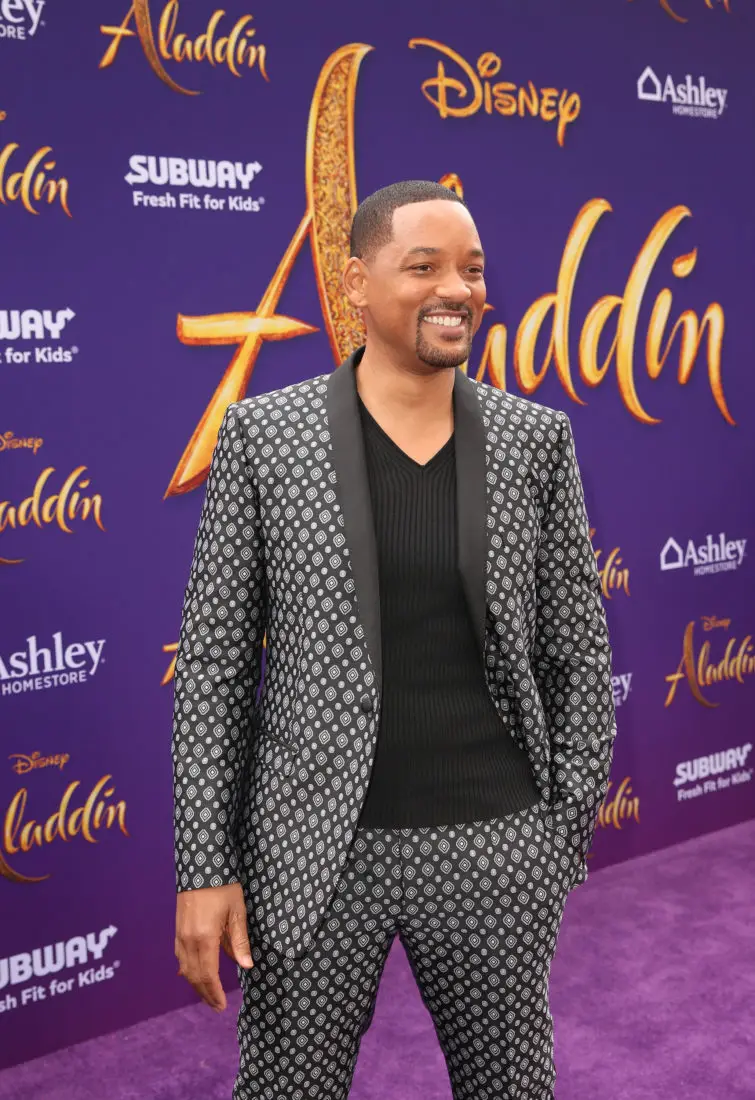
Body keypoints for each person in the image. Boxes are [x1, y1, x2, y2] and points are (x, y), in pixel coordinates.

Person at [172, 179, 617, 1099]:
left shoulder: (534, 441)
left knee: (510, 1088)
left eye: (472, 270)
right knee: (287, 1088)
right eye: (424, 267)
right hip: (311, 852)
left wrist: (558, 830)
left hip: (495, 844)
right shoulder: (264, 436)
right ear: (354, 283)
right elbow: (214, 666)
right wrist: (205, 867)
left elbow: (576, 649)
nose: (457, 289)